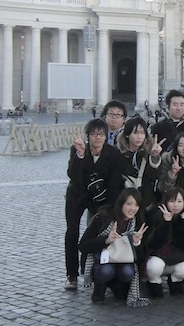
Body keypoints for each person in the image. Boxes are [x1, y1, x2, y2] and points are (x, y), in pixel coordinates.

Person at [64, 118, 124, 291]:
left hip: (100, 199)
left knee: (96, 232)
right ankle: (72, 274)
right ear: (88, 136)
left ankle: (94, 271)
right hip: (77, 196)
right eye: (93, 134)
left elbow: (113, 183)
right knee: (72, 232)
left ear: (106, 136)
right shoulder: (77, 149)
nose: (97, 138)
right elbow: (73, 175)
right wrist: (81, 156)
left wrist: (109, 208)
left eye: (101, 134)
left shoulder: (113, 154)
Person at [78, 188, 149, 304]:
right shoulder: (104, 218)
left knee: (128, 272)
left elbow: (139, 259)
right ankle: (99, 288)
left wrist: (136, 242)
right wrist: (106, 240)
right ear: (121, 203)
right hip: (101, 260)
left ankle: (117, 286)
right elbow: (83, 246)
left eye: (136, 205)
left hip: (123, 260)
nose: (132, 209)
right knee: (106, 270)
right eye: (129, 204)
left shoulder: (137, 222)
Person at [145, 187, 184, 297]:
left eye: (179, 201)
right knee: (154, 266)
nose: (175, 205)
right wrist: (166, 223)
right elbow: (154, 244)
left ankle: (175, 280)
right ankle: (154, 282)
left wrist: (181, 222)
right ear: (166, 202)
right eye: (172, 201)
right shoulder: (155, 215)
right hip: (159, 257)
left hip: (177, 258)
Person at [117, 117, 164, 211]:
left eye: (142, 133)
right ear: (127, 134)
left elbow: (154, 176)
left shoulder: (148, 153)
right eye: (135, 133)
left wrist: (154, 156)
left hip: (145, 202)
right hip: (124, 202)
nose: (139, 137)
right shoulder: (117, 154)